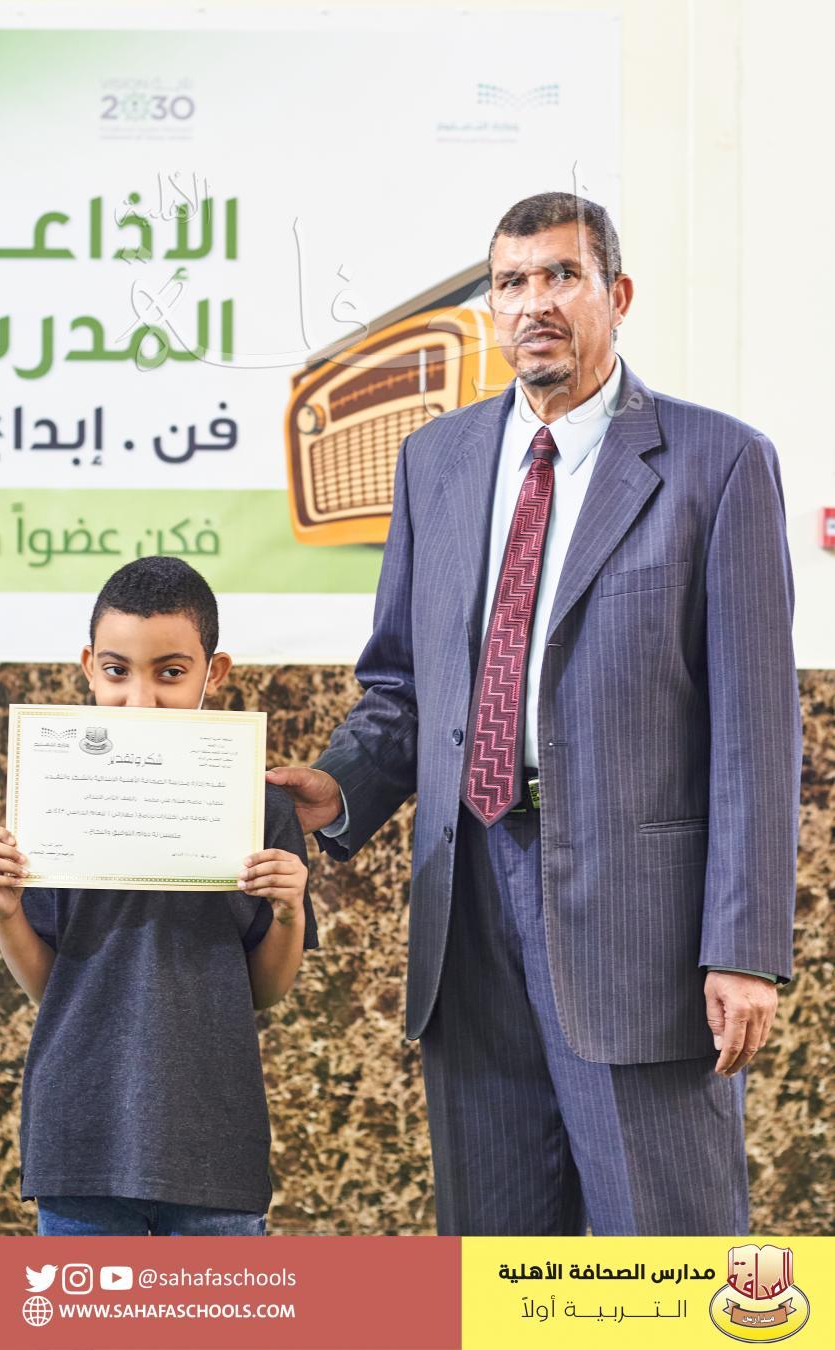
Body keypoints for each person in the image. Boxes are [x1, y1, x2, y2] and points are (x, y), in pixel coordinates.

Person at [268, 192, 801, 1235]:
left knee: (666, 1263)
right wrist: (337, 784)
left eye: (562, 275)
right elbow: (404, 687)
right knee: (497, 1267)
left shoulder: (719, 464)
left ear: (618, 295)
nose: (534, 303)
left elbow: (755, 732)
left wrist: (743, 947)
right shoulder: (437, 462)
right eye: (511, 282)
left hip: (639, 929)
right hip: (468, 905)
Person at [0, 556, 318, 1237]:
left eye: (170, 672)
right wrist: (6, 914)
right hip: (81, 1139)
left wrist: (289, 912)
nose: (140, 700)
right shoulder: (53, 797)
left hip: (214, 1142)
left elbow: (267, 991)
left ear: (213, 672)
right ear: (88, 667)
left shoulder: (260, 807)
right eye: (116, 671)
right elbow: (50, 988)